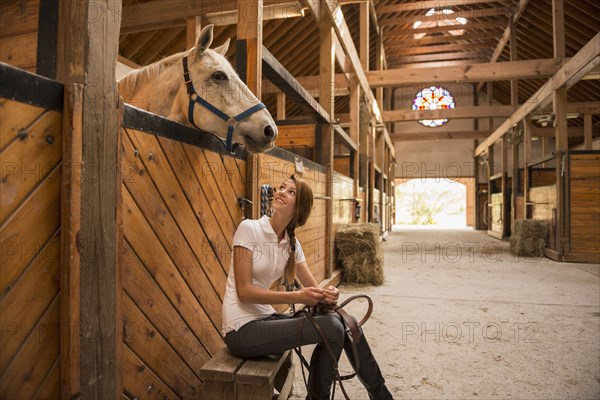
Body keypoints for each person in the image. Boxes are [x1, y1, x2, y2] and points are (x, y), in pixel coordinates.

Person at [222, 175, 394, 400]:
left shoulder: (292, 244)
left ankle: (381, 395)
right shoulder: (249, 229)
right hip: (241, 330)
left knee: (343, 324)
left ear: (299, 208)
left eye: (291, 192)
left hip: (266, 319)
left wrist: (328, 294)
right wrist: (298, 296)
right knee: (332, 328)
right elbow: (244, 293)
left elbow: (313, 288)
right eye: (282, 187)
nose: (282, 191)